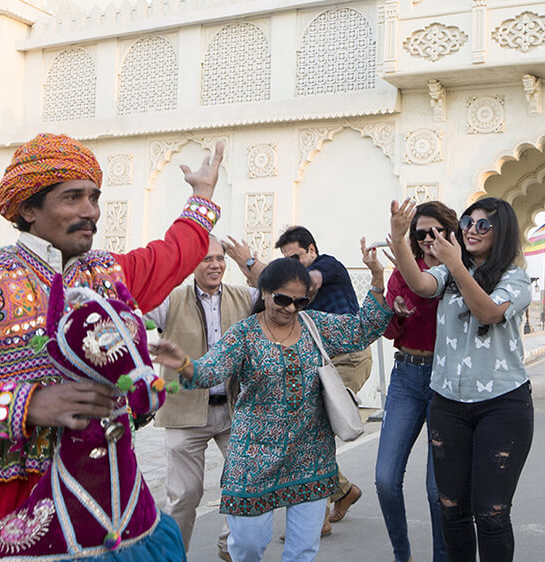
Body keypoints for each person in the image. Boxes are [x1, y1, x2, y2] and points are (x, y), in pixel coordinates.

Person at [0, 133, 224, 562]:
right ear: (28, 209)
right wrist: (28, 404)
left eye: (94, 197)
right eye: (73, 198)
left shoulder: (110, 275)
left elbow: (173, 255)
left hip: (90, 493)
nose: (90, 211)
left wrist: (202, 195)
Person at [149, 249, 394, 562]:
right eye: (282, 300)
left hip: (310, 454)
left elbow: (362, 330)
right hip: (253, 459)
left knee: (303, 551)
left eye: (300, 301)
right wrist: (183, 363)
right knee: (247, 546)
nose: (291, 308)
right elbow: (210, 370)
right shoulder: (244, 334)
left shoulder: (314, 325)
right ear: (264, 293)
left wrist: (376, 279)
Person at [387, 197, 534, 562]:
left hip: (502, 406)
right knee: (451, 510)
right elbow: (420, 284)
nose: (471, 229)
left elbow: (487, 312)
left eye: (483, 224)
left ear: (502, 234)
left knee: (491, 514)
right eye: (469, 221)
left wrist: (455, 264)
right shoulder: (449, 271)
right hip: (448, 404)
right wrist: (399, 235)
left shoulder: (514, 278)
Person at [224, 227, 366, 526]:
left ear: (312, 250)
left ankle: (322, 504)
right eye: (287, 259)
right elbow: (269, 289)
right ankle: (336, 495)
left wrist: (250, 262)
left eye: (297, 257)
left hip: (345, 358)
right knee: (305, 427)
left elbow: (303, 283)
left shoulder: (327, 266)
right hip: (319, 359)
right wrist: (245, 264)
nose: (294, 265)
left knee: (312, 426)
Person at [147, 240, 256, 561]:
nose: (215, 265)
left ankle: (230, 547)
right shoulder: (172, 301)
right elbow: (137, 301)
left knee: (246, 484)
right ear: (193, 264)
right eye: (207, 259)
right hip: (185, 413)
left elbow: (279, 288)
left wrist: (248, 261)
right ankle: (172, 555)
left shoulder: (243, 297)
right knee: (184, 495)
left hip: (235, 410)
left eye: (220, 259)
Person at [375, 201, 460, 562]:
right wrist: (394, 313)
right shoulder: (403, 273)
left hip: (446, 381)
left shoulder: (461, 271)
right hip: (407, 375)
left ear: (449, 231)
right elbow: (392, 332)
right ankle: (402, 554)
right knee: (385, 479)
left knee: (435, 490)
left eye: (435, 231)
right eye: (421, 233)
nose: (428, 238)